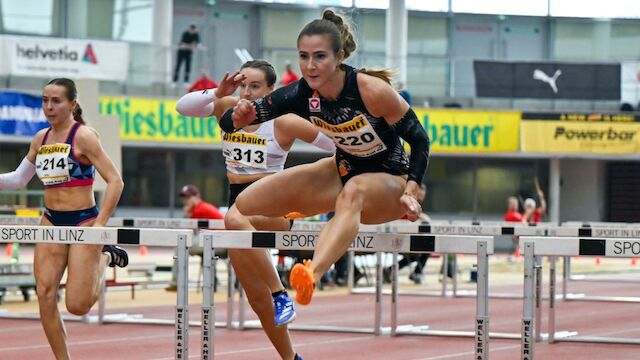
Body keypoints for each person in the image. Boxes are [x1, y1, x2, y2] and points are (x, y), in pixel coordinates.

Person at [219, 8, 430, 307]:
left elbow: (420, 140)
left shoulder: (370, 91)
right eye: (303, 56)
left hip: (390, 182)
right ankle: (306, 212)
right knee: (246, 204)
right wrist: (237, 116)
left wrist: (412, 189)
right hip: (343, 170)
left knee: (354, 192)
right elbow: (230, 123)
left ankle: (312, 275)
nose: (310, 65)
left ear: (340, 57)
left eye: (320, 56)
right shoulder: (300, 94)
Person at [176, 59, 335, 360]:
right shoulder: (226, 109)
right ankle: (292, 358)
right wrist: (217, 91)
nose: (246, 93)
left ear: (271, 91)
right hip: (239, 210)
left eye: (255, 86)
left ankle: (280, 293)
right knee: (256, 299)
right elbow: (183, 107)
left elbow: (336, 146)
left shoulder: (283, 121)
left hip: (274, 208)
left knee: (234, 217)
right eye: (243, 85)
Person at [0, 78, 126, 359]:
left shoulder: (83, 136)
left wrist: (100, 226)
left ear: (72, 104)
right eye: (45, 100)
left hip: (83, 223)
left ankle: (104, 257)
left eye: (56, 101)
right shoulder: (40, 139)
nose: (48, 106)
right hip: (52, 221)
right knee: (44, 295)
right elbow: (19, 179)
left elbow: (115, 181)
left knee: (78, 306)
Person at [165, 184, 224, 292]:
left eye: (188, 197)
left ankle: (176, 282)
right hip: (219, 242)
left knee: (181, 246)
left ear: (196, 196)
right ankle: (212, 281)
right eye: (184, 198)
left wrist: (187, 213)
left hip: (221, 244)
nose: (185, 200)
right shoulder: (203, 207)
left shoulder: (199, 209)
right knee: (201, 248)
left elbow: (187, 231)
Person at [383, 183, 431, 284]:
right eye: (419, 196)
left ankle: (393, 270)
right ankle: (416, 273)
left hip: (409, 241)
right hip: (395, 240)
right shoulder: (404, 205)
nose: (421, 198)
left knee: (426, 247)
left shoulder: (419, 210)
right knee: (422, 249)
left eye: (423, 196)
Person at [504, 196, 526, 260]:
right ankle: (517, 255)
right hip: (516, 233)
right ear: (509, 205)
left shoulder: (516, 214)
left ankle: (518, 254)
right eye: (513, 204)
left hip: (519, 233)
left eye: (516, 204)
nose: (515, 206)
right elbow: (524, 221)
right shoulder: (510, 214)